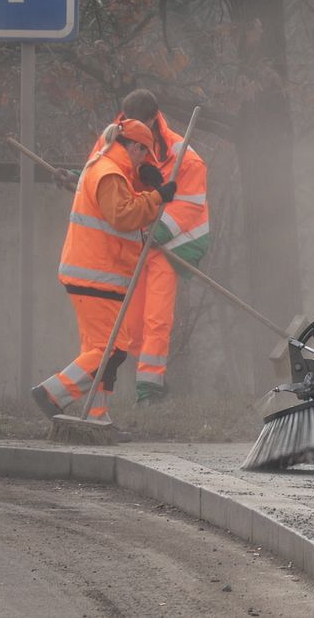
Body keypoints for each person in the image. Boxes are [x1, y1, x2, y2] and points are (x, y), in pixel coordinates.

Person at [30, 120, 177, 422]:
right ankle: (53, 393)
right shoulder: (109, 173)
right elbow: (122, 216)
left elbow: (124, 201)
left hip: (96, 274)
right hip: (95, 275)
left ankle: (97, 417)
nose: (144, 160)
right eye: (144, 154)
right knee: (113, 349)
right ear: (134, 147)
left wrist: (149, 184)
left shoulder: (108, 168)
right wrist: (158, 197)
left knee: (103, 350)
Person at [89, 89, 212, 404]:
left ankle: (150, 391)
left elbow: (190, 204)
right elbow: (98, 175)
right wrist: (75, 178)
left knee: (157, 317)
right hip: (134, 241)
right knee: (132, 321)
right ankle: (147, 381)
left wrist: (158, 232)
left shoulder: (184, 155)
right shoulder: (114, 137)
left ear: (154, 119)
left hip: (167, 245)